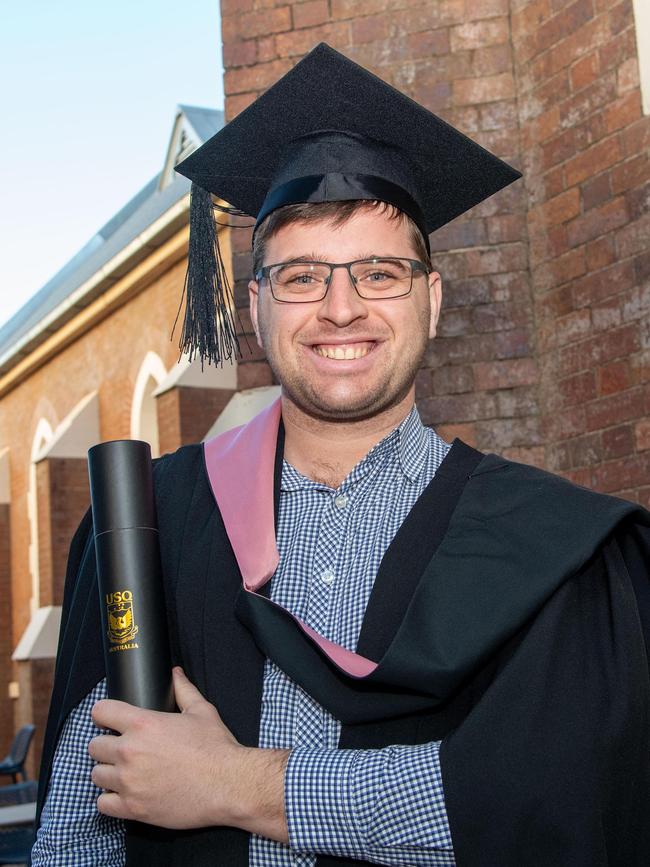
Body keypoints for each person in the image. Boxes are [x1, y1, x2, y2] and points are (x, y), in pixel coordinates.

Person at [33, 44, 650, 867]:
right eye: (300, 278)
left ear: (432, 300)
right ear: (255, 309)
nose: (341, 308)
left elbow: (560, 800)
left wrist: (241, 784)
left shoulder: (553, 550)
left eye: (380, 272)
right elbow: (77, 827)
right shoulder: (150, 520)